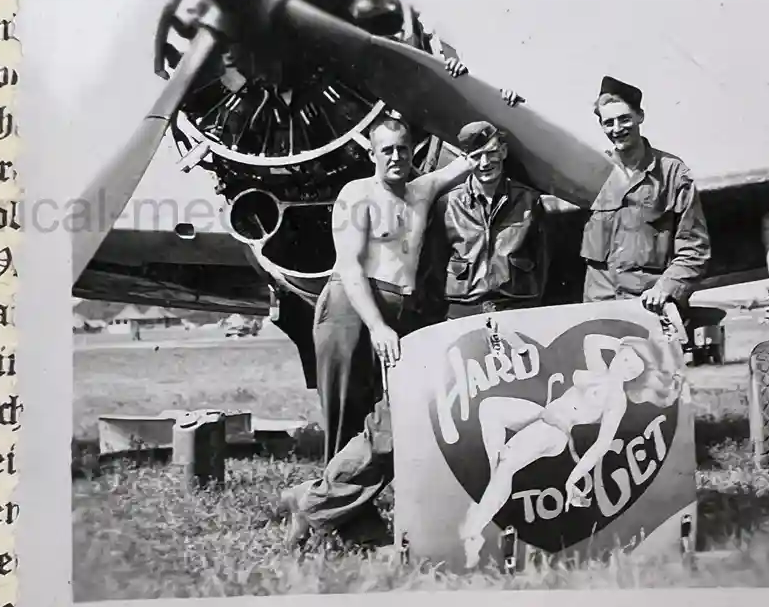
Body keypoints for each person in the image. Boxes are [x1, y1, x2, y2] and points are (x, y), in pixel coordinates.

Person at [282, 74, 522, 549]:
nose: (396, 157)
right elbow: (350, 267)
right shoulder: (357, 194)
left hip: (401, 314)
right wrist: (376, 326)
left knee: (399, 418)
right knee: (348, 418)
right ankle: (346, 521)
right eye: (387, 150)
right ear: (372, 154)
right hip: (354, 308)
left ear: (414, 151)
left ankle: (313, 502)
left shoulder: (422, 190)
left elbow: (478, 150)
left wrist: (501, 104)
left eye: (403, 149)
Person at [457, 325, 684, 567]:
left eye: (633, 369)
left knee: (507, 464)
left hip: (556, 431)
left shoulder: (616, 400)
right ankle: (494, 487)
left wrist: (573, 480)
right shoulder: (599, 371)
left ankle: (473, 532)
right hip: (543, 414)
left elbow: (601, 445)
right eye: (626, 358)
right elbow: (592, 339)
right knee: (490, 408)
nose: (625, 366)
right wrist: (623, 343)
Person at [580, 76, 711, 312]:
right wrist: (511, 107)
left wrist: (665, 288)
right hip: (600, 307)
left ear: (640, 116)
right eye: (609, 123)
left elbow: (694, 249)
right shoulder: (593, 172)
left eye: (624, 119)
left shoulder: (672, 173)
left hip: (650, 306)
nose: (617, 129)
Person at [424, 120, 550, 321]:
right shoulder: (448, 205)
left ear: (503, 151)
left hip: (516, 307)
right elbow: (435, 264)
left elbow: (541, 259)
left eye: (491, 153)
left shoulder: (528, 200)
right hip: (463, 309)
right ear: (466, 159)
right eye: (476, 156)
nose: (485, 163)